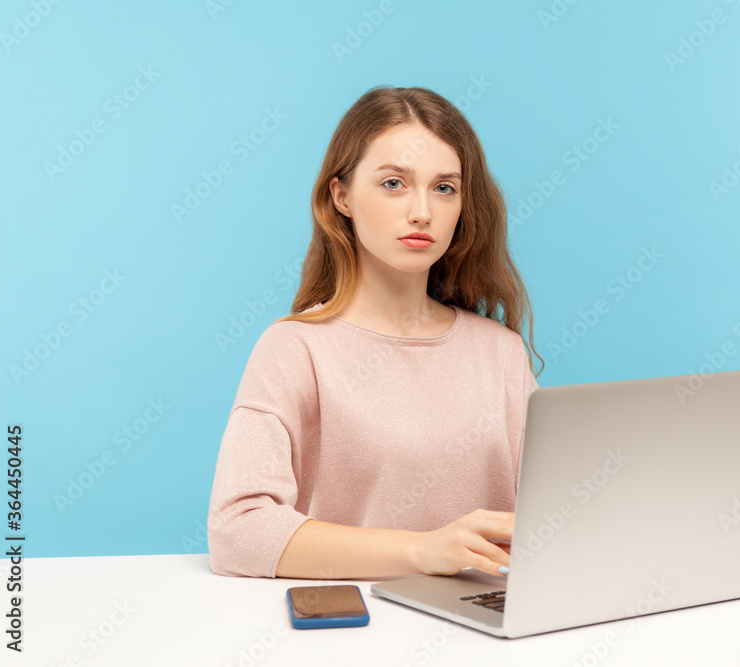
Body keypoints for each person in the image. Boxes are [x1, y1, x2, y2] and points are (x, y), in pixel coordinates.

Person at [206, 85, 543, 581]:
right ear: (340, 195)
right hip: (357, 632)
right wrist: (422, 552)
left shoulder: (501, 353)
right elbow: (238, 529)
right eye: (393, 183)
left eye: (444, 188)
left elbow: (554, 516)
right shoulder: (295, 348)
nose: (422, 211)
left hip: (490, 628)